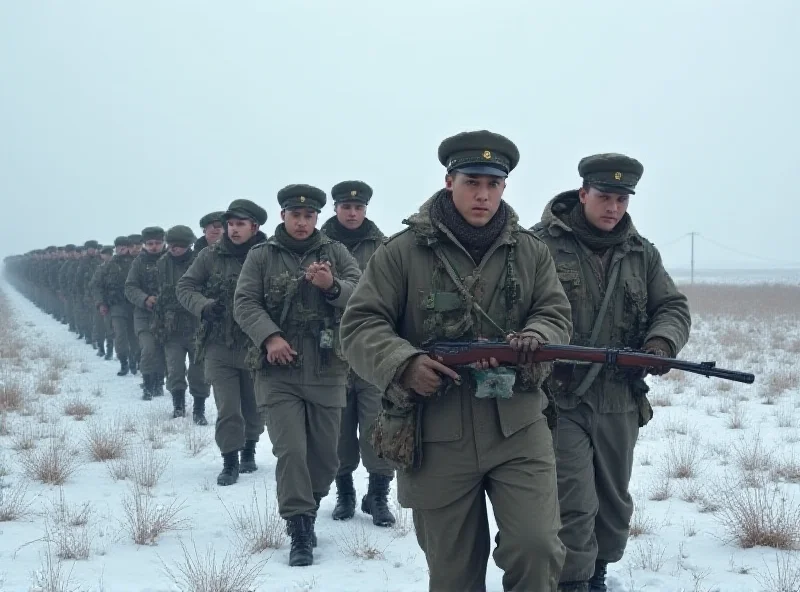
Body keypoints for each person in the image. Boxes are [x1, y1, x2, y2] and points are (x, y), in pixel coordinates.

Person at [339, 130, 573, 591]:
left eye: (493, 184)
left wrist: (536, 335)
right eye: (471, 182)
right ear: (449, 181)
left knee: (537, 547)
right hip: (435, 431)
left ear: (504, 187)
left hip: (518, 427)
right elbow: (360, 325)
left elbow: (555, 312)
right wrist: (404, 364)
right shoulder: (402, 252)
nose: (482, 194)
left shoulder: (529, 251)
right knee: (453, 574)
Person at [531, 154, 691, 592]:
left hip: (619, 397)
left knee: (613, 501)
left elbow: (671, 307)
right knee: (573, 499)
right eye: (604, 197)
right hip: (559, 398)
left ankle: (599, 571)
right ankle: (574, 581)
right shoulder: (539, 244)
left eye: (621, 199)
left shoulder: (641, 253)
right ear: (583, 194)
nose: (613, 208)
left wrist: (661, 344)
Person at [234, 184, 361, 567]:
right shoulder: (262, 256)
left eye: (308, 216)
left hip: (327, 370)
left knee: (325, 457)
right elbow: (244, 302)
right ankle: (300, 526)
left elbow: (362, 293)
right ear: (283, 217)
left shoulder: (336, 253)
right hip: (279, 373)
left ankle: (311, 501)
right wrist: (270, 337)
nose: (302, 222)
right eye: (295, 216)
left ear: (317, 218)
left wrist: (332, 286)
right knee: (290, 450)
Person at [320, 180, 396, 527]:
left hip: (372, 350)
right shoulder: (317, 248)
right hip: (329, 352)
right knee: (338, 429)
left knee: (378, 426)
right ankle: (345, 493)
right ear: (335, 209)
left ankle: (378, 496)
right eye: (346, 207)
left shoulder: (384, 247)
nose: (352, 213)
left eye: (359, 208)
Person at [176, 199, 267, 486]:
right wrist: (203, 306)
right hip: (218, 344)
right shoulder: (211, 255)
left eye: (241, 224)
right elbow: (185, 286)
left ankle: (250, 448)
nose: (234, 230)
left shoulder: (268, 255)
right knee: (228, 406)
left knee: (253, 405)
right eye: (230, 224)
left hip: (255, 344)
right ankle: (230, 459)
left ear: (255, 226)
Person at [153, 225, 210, 422]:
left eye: (179, 245)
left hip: (197, 324)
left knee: (199, 370)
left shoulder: (200, 261)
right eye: (171, 245)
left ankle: (199, 409)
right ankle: (178, 406)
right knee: (175, 368)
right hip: (171, 325)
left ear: (189, 245)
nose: (173, 249)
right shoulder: (162, 263)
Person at [125, 226, 167, 400]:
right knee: (149, 349)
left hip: (167, 315)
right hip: (144, 314)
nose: (154, 247)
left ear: (163, 242)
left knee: (163, 349)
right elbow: (130, 287)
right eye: (150, 243)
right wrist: (144, 299)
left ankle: (159, 382)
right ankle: (148, 384)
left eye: (157, 243)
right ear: (144, 245)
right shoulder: (139, 262)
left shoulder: (170, 259)